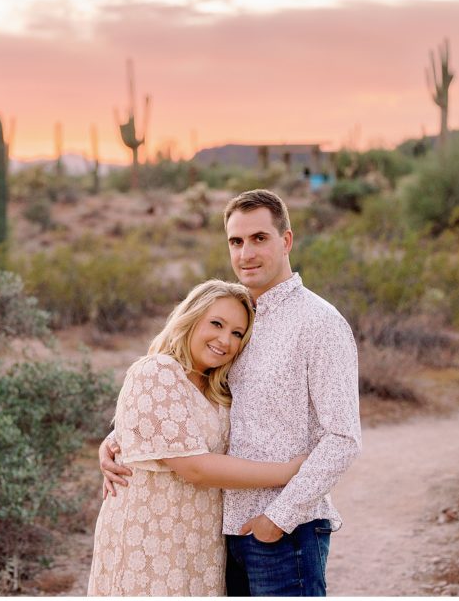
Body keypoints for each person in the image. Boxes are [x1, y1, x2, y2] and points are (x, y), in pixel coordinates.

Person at [100, 189, 361, 597]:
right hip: (221, 534)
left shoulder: (319, 323)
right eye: (236, 242)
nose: (246, 254)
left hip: (283, 534)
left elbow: (343, 438)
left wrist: (278, 518)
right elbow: (196, 401)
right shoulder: (234, 321)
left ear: (286, 241)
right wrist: (120, 440)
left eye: (259, 238)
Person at [87, 279, 307, 596]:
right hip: (150, 536)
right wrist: (285, 473)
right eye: (216, 324)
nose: (225, 340)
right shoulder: (157, 370)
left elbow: (172, 428)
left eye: (237, 333)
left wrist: (114, 437)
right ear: (191, 318)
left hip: (199, 540)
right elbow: (195, 467)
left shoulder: (220, 387)